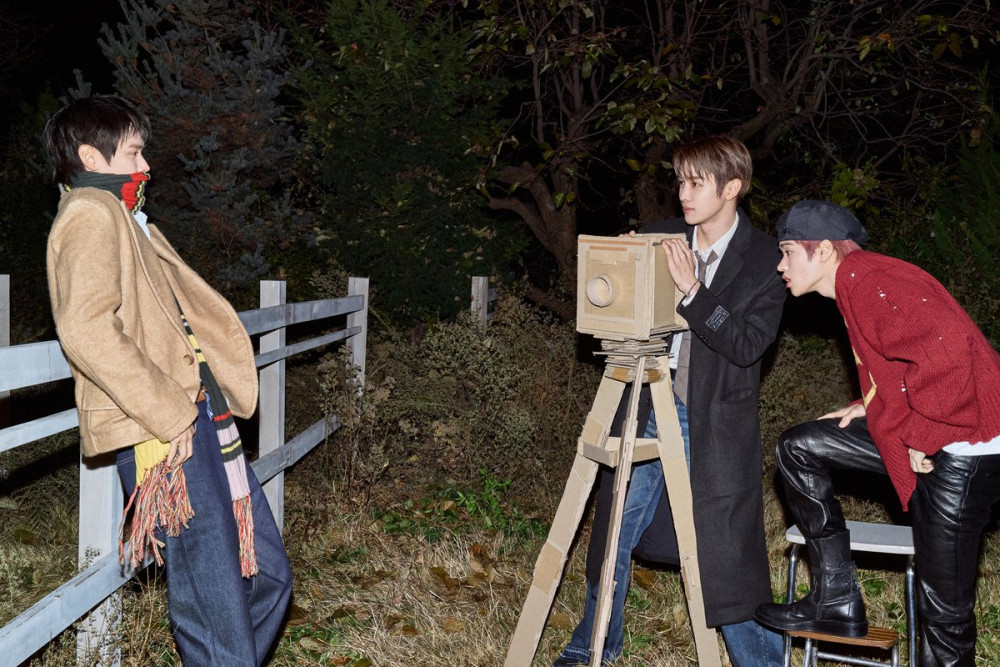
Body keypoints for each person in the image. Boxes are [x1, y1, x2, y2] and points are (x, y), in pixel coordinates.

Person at [44, 95, 292, 665]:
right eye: (135, 152)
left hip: (203, 419)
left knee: (267, 575)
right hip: (165, 430)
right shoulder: (90, 211)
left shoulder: (127, 218)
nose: (147, 164)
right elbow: (85, 327)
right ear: (92, 156)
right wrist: (171, 414)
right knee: (214, 603)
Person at [555, 135, 786, 666]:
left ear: (732, 187)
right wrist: (622, 262)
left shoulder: (765, 260)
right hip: (647, 401)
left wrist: (694, 293)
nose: (683, 194)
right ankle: (590, 648)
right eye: (680, 181)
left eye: (696, 183)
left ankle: (762, 663)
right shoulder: (661, 237)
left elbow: (747, 345)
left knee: (726, 552)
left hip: (713, 416)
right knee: (615, 527)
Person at [754, 200, 1000, 666]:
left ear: (824, 250)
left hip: (966, 446)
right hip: (941, 430)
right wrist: (868, 403)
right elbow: (906, 360)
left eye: (787, 252)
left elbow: (948, 352)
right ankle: (836, 600)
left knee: (943, 616)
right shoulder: (858, 281)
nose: (780, 265)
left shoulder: (870, 282)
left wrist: (923, 433)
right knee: (800, 446)